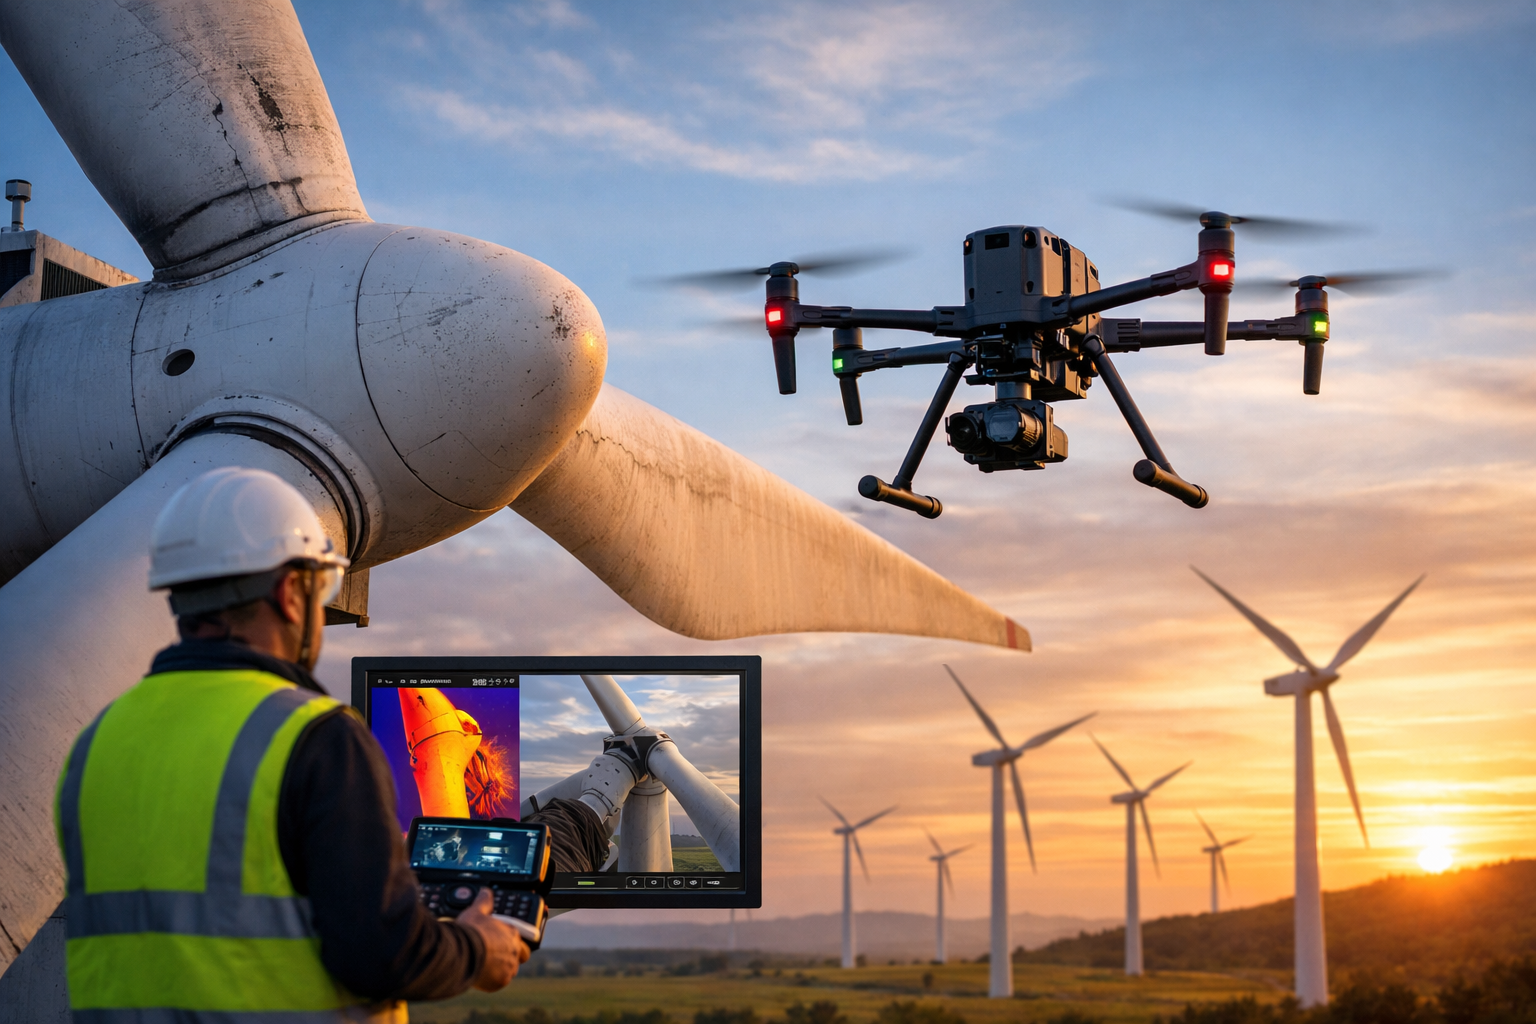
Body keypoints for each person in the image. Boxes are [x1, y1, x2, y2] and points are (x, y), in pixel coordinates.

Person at [54, 467, 528, 1022]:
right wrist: (476, 949)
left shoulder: (97, 742)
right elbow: (379, 953)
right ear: (290, 593)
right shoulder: (317, 738)